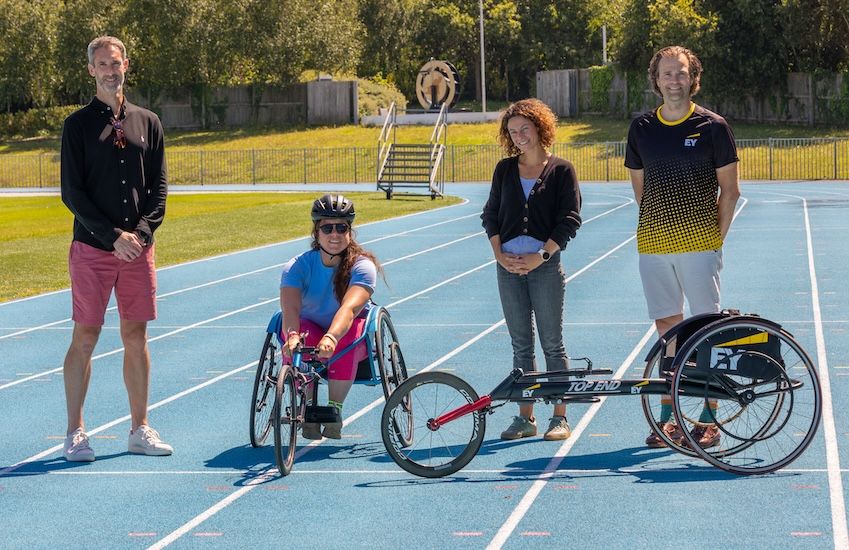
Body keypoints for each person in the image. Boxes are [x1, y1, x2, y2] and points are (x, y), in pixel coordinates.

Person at [60, 36, 171, 461]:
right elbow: (72, 192)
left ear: (126, 65)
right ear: (91, 70)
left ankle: (140, 429)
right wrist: (112, 237)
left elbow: (159, 190)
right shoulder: (78, 126)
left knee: (135, 336)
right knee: (85, 337)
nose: (110, 70)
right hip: (92, 249)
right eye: (102, 64)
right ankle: (75, 432)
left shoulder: (149, 121)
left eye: (115, 62)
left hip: (138, 251)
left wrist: (140, 236)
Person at [625, 45, 740, 449]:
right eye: (667, 74)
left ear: (694, 78)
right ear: (656, 81)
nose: (674, 80)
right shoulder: (641, 128)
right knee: (666, 330)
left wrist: (712, 239)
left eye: (682, 73)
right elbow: (641, 192)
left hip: (699, 245)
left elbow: (730, 192)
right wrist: (664, 228)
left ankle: (708, 419)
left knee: (706, 329)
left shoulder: (713, 126)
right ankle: (669, 417)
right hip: (654, 245)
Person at [481, 98, 582, 441]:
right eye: (513, 131)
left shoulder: (562, 170)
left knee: (553, 343)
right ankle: (526, 418)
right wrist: (498, 254)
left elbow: (570, 219)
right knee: (521, 345)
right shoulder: (505, 170)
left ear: (540, 128)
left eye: (525, 128)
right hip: (507, 267)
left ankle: (559, 416)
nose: (519, 135)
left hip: (544, 267)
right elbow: (490, 215)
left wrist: (543, 254)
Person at [280, 194, 381, 440]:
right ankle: (306, 404)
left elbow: (348, 309)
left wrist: (332, 337)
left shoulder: (362, 266)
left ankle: (334, 409)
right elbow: (290, 308)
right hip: (310, 325)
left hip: (348, 332)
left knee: (348, 336)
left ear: (350, 231)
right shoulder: (296, 266)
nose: (334, 234)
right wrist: (292, 336)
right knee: (301, 338)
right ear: (316, 232)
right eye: (327, 227)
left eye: (341, 227)